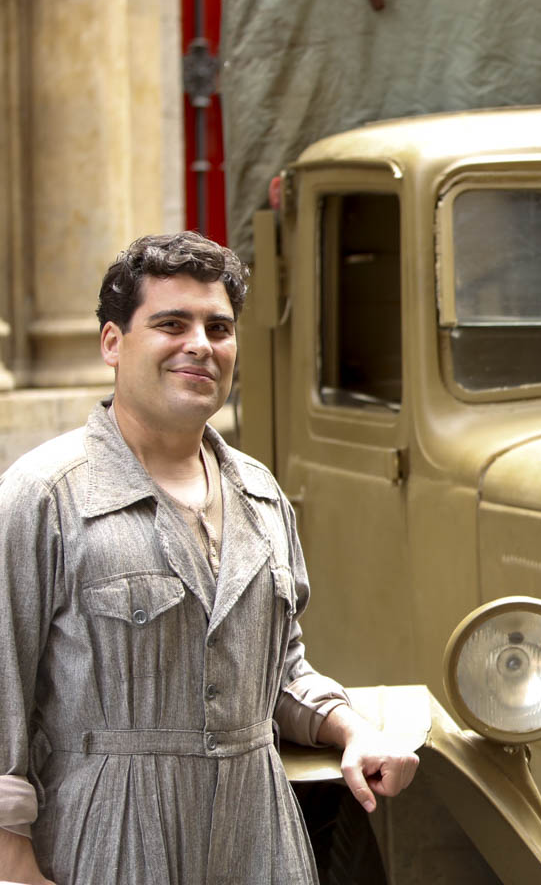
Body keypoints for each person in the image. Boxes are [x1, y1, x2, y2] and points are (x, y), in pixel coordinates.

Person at [0, 232, 419, 884]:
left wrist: (349, 727)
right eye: (171, 323)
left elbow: (274, 667)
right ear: (113, 342)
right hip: (110, 843)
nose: (200, 343)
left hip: (259, 843)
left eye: (218, 328)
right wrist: (12, 863)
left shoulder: (260, 495)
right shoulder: (45, 497)